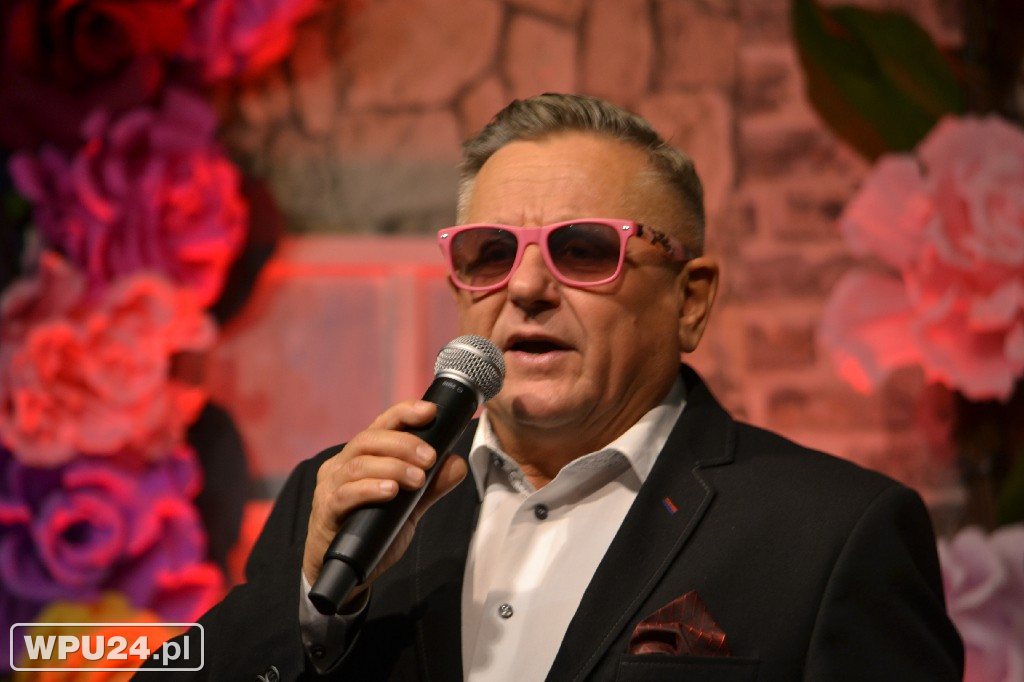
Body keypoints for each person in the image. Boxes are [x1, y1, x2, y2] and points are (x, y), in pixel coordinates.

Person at [139, 93, 963, 681]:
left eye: (584, 249)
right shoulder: (344, 501)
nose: (527, 288)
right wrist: (307, 607)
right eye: (491, 254)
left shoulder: (833, 534)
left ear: (691, 300)